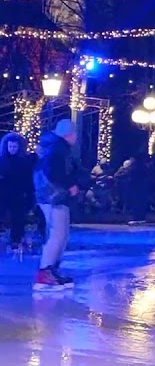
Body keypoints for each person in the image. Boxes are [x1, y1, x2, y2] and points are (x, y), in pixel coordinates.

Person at [33, 119, 79, 291]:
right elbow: (53, 171)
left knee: (61, 233)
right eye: (74, 133)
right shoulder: (57, 148)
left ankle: (51, 270)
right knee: (58, 233)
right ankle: (45, 273)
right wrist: (69, 185)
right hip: (53, 197)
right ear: (69, 134)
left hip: (53, 197)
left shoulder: (55, 147)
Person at [0, 132, 35, 250]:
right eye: (10, 147)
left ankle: (16, 240)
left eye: (14, 147)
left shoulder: (24, 162)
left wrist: (29, 195)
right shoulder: (2, 160)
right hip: (3, 193)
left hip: (18, 194)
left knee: (18, 219)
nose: (12, 149)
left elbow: (28, 179)